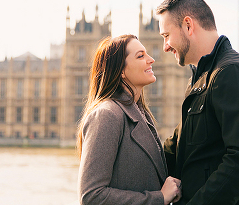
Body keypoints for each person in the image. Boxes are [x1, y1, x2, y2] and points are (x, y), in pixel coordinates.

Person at [157, 0, 239, 205]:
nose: (165, 46)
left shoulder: (233, 73)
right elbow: (178, 146)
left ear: (188, 26)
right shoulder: (201, 78)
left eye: (166, 36)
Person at [77, 35, 182, 205]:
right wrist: (158, 198)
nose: (152, 59)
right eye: (140, 56)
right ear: (121, 71)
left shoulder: (140, 114)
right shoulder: (107, 114)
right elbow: (91, 196)